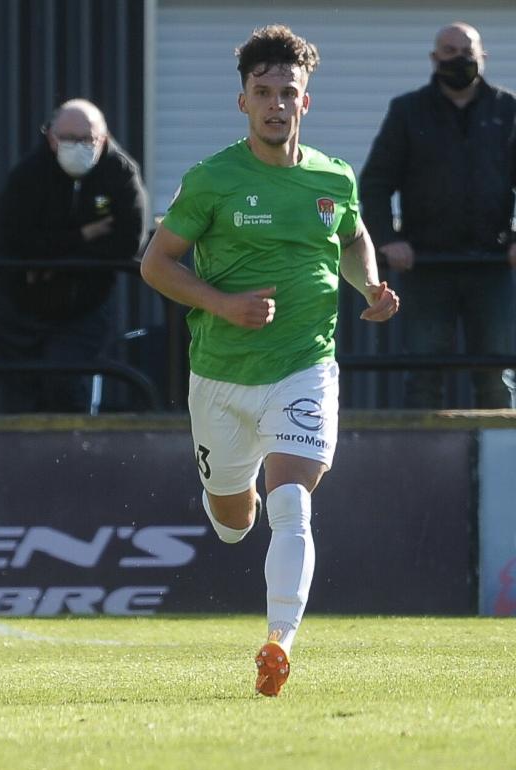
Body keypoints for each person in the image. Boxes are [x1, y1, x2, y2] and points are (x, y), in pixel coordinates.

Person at [140, 25, 399, 696]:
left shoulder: (333, 176)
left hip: (304, 365)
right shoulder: (213, 179)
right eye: (263, 93)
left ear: (305, 103)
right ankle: (227, 491)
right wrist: (222, 305)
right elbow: (156, 264)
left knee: (292, 503)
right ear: (243, 103)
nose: (276, 105)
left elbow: (353, 235)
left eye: (288, 93)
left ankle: (277, 644)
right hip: (221, 378)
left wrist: (368, 285)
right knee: (235, 522)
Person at [359, 22, 516, 409]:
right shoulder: (408, 111)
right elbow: (375, 183)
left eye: (467, 52)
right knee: (423, 373)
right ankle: (420, 466)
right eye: (449, 51)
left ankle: (502, 467)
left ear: (483, 57)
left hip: (492, 265)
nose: (458, 59)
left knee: (497, 375)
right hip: (426, 265)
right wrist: (388, 238)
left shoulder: (508, 110)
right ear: (434, 58)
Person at [0, 99, 150, 413]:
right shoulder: (28, 174)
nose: (76, 147)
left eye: (86, 139)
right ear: (50, 137)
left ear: (103, 139)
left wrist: (55, 258)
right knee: (22, 398)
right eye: (67, 138)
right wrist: (84, 235)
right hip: (19, 306)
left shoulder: (120, 173)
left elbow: (128, 241)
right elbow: (13, 238)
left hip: (84, 308)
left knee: (68, 388)